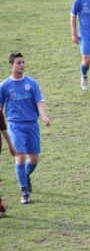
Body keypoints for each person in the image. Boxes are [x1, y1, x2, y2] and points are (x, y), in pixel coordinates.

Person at [0, 52, 51, 204]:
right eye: (18, 62)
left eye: (23, 62)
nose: (22, 65)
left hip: (32, 124)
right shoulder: (4, 86)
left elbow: (39, 101)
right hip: (15, 125)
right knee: (20, 157)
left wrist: (44, 116)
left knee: (34, 160)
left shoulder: (32, 83)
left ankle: (25, 175)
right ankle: (24, 191)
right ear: (11, 65)